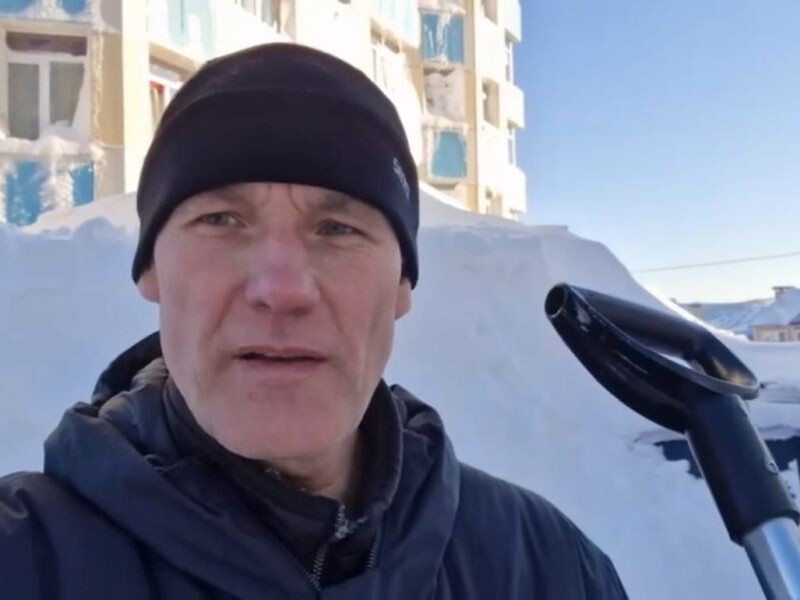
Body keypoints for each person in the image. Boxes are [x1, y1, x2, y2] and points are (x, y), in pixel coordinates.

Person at [0, 43, 628, 599]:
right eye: (221, 220)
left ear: (401, 285)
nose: (281, 289)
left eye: (338, 228)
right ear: (150, 271)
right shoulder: (25, 560)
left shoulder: (548, 569)